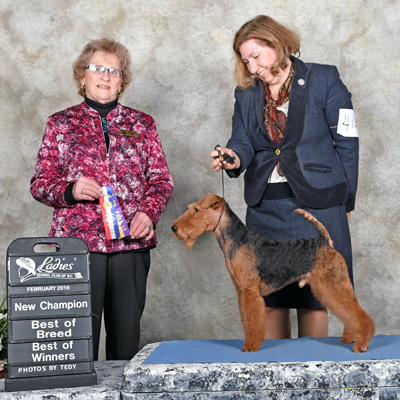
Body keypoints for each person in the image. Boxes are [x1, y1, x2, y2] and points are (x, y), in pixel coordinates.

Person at [210, 15, 358, 339]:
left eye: (256, 56)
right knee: (270, 299)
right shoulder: (246, 93)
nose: (251, 67)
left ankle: (312, 376)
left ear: (276, 44)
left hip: (318, 205)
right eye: (245, 60)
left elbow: (347, 142)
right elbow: (242, 142)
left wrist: (347, 199)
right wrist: (232, 157)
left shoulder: (323, 78)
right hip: (265, 210)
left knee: (314, 300)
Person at [31, 38, 174, 360]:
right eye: (97, 68)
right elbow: (40, 184)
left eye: (114, 71)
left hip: (130, 244)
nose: (106, 76)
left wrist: (148, 214)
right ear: (82, 75)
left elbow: (162, 181)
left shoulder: (143, 124)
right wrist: (69, 190)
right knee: (76, 340)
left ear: (122, 80)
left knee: (126, 341)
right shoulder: (60, 123)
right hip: (77, 245)